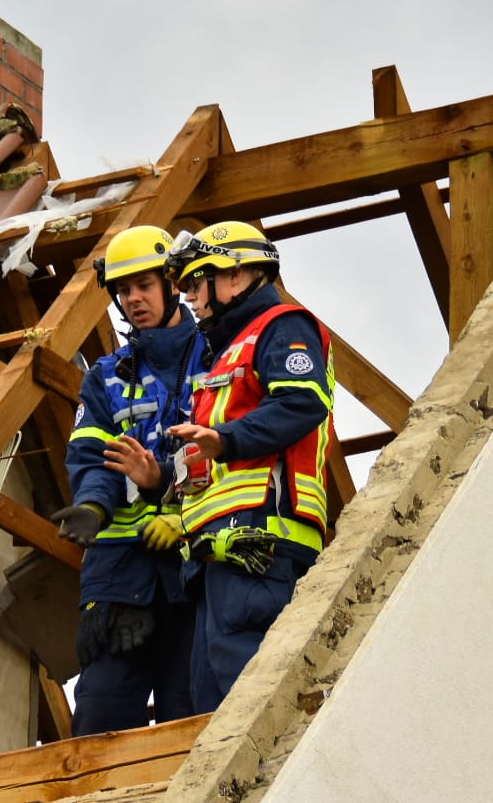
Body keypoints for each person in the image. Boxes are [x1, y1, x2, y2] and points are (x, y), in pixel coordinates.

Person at [161, 221, 335, 714]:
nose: (189, 298)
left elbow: (302, 404)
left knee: (250, 705)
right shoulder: (226, 352)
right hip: (219, 556)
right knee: (211, 711)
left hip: (261, 546)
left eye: (195, 282)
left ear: (236, 274)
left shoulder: (283, 325)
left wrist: (224, 440)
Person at [48, 225, 206, 735]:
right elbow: (94, 457)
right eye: (123, 289)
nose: (133, 299)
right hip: (120, 580)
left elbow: (234, 457)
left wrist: (172, 501)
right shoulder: (105, 376)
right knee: (99, 721)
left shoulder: (218, 357)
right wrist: (93, 506)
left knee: (190, 725)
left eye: (143, 285)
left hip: (195, 572)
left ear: (171, 282)